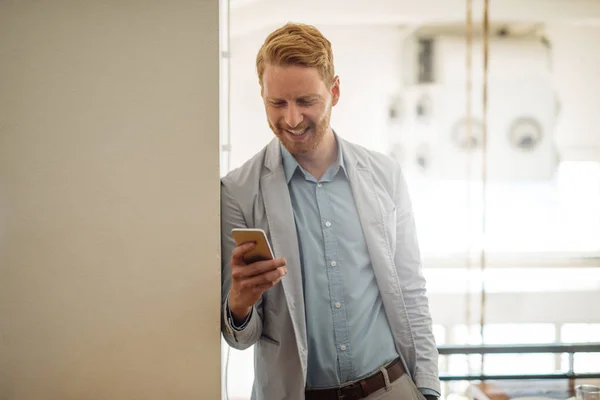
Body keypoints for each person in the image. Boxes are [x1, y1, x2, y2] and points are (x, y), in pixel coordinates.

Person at [221, 22, 440, 400]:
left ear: (334, 91)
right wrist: (239, 304)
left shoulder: (385, 176)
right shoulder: (237, 192)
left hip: (391, 388)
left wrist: (427, 389)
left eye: (306, 101)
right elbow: (243, 337)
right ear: (262, 95)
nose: (291, 119)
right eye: (277, 103)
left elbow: (410, 290)